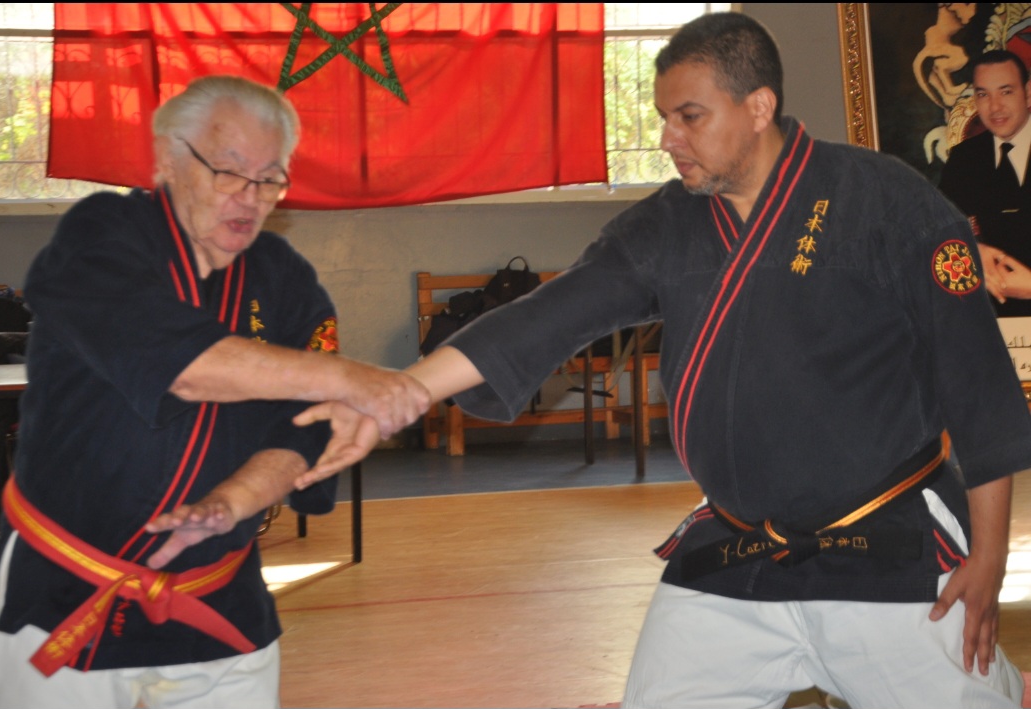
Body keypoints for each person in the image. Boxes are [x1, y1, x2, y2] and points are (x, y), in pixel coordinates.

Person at [299, 12, 1031, 708]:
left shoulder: (887, 201)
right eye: (663, 117)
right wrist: (402, 390)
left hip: (886, 553)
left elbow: (977, 386)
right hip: (736, 556)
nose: (668, 137)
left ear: (758, 105)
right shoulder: (667, 224)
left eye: (690, 116)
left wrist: (990, 557)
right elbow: (551, 315)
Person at [0, 75, 429, 709]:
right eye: (228, 171)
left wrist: (232, 501)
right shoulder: (100, 237)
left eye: (270, 178)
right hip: (69, 585)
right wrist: (352, 376)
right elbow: (184, 364)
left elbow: (304, 426)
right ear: (166, 158)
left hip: (217, 593)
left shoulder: (284, 278)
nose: (249, 197)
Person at [940, 49, 1031, 316]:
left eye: (1006, 92)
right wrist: (970, 251)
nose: (994, 107)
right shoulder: (963, 160)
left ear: (1027, 92)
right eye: (983, 94)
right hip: (988, 322)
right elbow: (938, 236)